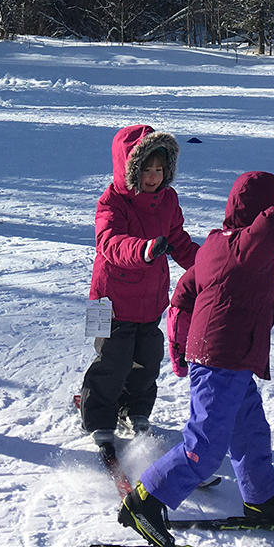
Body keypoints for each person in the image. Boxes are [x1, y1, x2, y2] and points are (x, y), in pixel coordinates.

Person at [118, 171, 274, 547]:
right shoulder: (248, 244)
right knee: (206, 445)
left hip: (228, 357)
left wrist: (180, 345)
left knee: (249, 431)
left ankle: (260, 500)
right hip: (221, 357)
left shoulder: (219, 246)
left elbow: (184, 294)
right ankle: (144, 502)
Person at [79, 125, 200, 449]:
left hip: (149, 301)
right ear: (129, 169)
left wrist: (207, 266)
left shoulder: (168, 200)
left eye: (160, 170)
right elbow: (109, 242)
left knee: (147, 360)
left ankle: (135, 410)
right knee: (111, 361)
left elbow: (178, 241)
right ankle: (97, 418)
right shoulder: (112, 202)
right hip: (108, 300)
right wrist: (143, 250)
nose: (153, 177)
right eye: (146, 170)